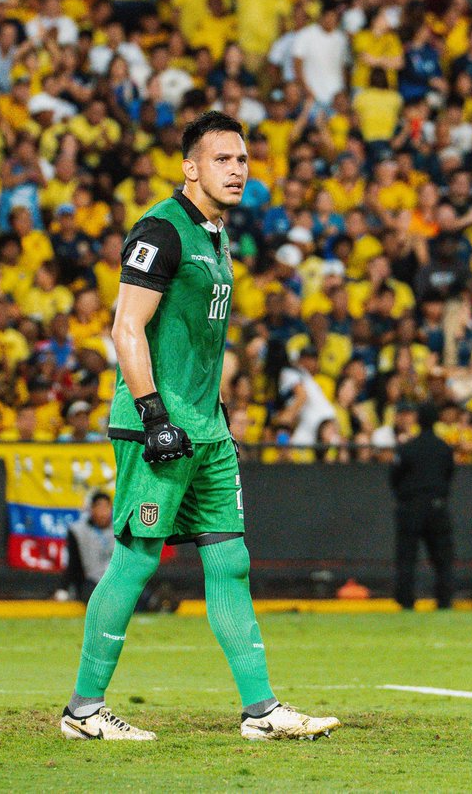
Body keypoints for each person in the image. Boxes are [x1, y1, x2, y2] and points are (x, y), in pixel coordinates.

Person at [62, 112, 339, 742]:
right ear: (191, 167)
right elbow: (125, 327)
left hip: (206, 429)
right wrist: (155, 414)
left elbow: (200, 340)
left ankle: (262, 712)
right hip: (155, 423)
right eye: (223, 160)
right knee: (135, 558)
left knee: (230, 560)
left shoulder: (215, 235)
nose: (237, 170)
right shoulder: (162, 229)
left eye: (242, 160)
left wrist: (212, 415)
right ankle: (82, 711)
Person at [389, 402, 455, 610]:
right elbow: (449, 474)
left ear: (417, 419)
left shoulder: (408, 448)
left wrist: (405, 495)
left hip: (411, 506)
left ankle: (407, 601)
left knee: (407, 556)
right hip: (437, 505)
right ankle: (444, 601)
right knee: (442, 558)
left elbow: (394, 476)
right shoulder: (444, 448)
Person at [60, 491, 118, 603]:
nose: (103, 513)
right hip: (91, 581)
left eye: (106, 507)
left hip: (117, 580)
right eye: (99, 507)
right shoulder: (78, 531)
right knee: (93, 596)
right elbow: (73, 563)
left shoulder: (120, 529)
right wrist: (63, 588)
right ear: (92, 510)